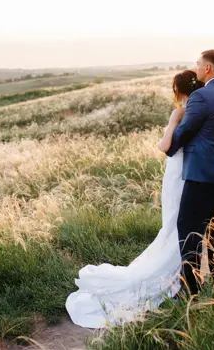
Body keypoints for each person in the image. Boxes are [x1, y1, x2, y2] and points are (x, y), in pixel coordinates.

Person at [65, 69, 204, 328]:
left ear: (179, 90)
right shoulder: (200, 111)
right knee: (177, 222)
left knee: (174, 221)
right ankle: (183, 272)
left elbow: (165, 146)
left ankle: (174, 272)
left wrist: (172, 123)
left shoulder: (181, 112)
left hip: (177, 172)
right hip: (187, 170)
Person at [166, 50, 214, 296]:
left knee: (189, 228)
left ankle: (190, 286)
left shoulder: (202, 96)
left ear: (208, 68)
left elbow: (184, 132)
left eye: (198, 64)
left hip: (200, 175)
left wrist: (171, 138)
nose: (196, 68)